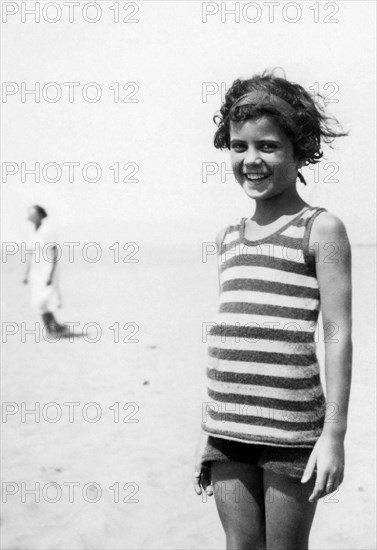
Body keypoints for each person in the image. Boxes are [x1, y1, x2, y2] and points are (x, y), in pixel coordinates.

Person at [193, 69, 352, 550]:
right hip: (227, 428)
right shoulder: (229, 238)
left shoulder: (320, 230)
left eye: (267, 146)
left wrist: (334, 436)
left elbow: (338, 333)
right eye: (239, 147)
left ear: (301, 149)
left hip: (290, 432)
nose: (251, 160)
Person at [23, 205, 67, 337]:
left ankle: (53, 328)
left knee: (46, 300)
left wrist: (51, 273)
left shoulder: (47, 230)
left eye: (32, 212)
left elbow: (54, 252)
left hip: (47, 270)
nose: (29, 214)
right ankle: (54, 327)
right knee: (38, 300)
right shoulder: (32, 232)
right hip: (35, 272)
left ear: (40, 215)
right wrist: (27, 273)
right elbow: (32, 254)